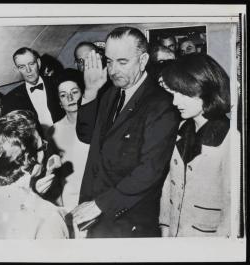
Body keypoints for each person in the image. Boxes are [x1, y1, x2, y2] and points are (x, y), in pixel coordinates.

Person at [72, 26, 180, 238]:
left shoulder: (161, 103)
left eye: (122, 62)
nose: (113, 70)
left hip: (129, 219)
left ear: (143, 60)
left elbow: (149, 171)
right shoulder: (110, 93)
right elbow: (87, 136)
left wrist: (99, 205)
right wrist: (91, 91)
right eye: (109, 61)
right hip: (96, 213)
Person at [158, 54, 239, 237]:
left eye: (184, 94)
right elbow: (168, 186)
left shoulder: (230, 137)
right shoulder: (181, 128)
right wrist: (165, 229)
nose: (175, 102)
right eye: (173, 93)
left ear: (207, 91)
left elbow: (232, 210)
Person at [0, 110, 69, 239]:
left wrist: (34, 194)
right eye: (42, 146)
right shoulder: (49, 216)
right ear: (30, 161)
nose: (45, 148)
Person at [50, 69, 90, 212]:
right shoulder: (53, 131)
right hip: (70, 200)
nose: (70, 98)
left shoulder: (98, 125)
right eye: (63, 95)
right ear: (60, 102)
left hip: (97, 196)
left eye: (74, 92)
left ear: (83, 94)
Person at [2, 47, 65, 132]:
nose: (28, 70)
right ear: (17, 70)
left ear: (38, 63)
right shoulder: (11, 99)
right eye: (22, 67)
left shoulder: (58, 84)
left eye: (31, 64)